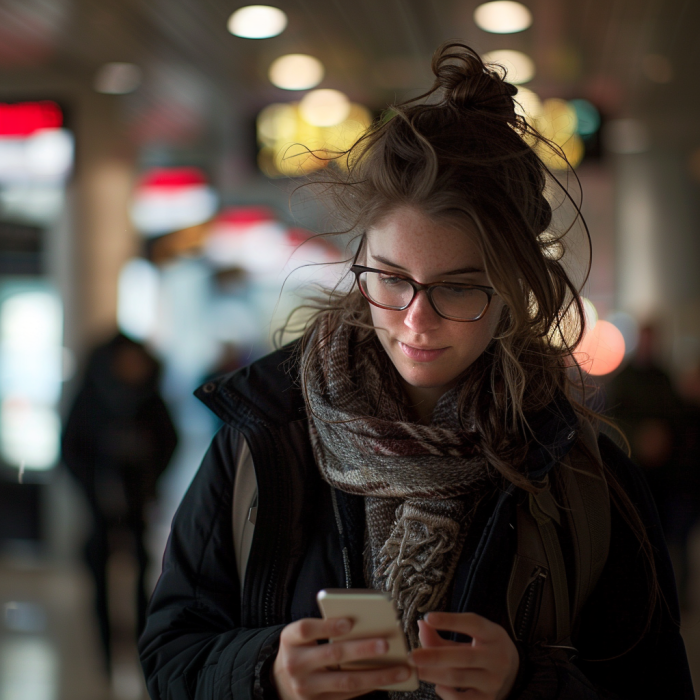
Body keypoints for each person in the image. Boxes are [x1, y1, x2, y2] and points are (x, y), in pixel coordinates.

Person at [138, 43, 694, 700]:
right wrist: (269, 669)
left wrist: (527, 683)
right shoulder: (267, 436)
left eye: (458, 288)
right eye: (392, 279)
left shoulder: (582, 473)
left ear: (512, 288)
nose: (415, 320)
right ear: (359, 264)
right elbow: (171, 654)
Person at [62, 332, 178, 678]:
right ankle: (106, 657)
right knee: (100, 576)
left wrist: (150, 478)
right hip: (100, 504)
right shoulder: (92, 396)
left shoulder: (150, 398)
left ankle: (145, 648)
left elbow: (169, 441)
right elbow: (70, 448)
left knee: (143, 574)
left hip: (138, 503)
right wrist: (91, 488)